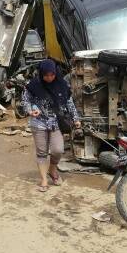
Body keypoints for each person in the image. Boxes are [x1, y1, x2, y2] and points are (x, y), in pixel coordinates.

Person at [21, 59, 81, 192]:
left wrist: (75, 118)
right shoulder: (33, 85)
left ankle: (52, 168)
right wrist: (30, 110)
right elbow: (25, 101)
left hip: (56, 122)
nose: (49, 78)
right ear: (41, 73)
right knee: (42, 153)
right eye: (46, 75)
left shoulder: (62, 84)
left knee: (58, 150)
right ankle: (43, 179)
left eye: (52, 74)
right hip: (39, 122)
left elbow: (69, 103)